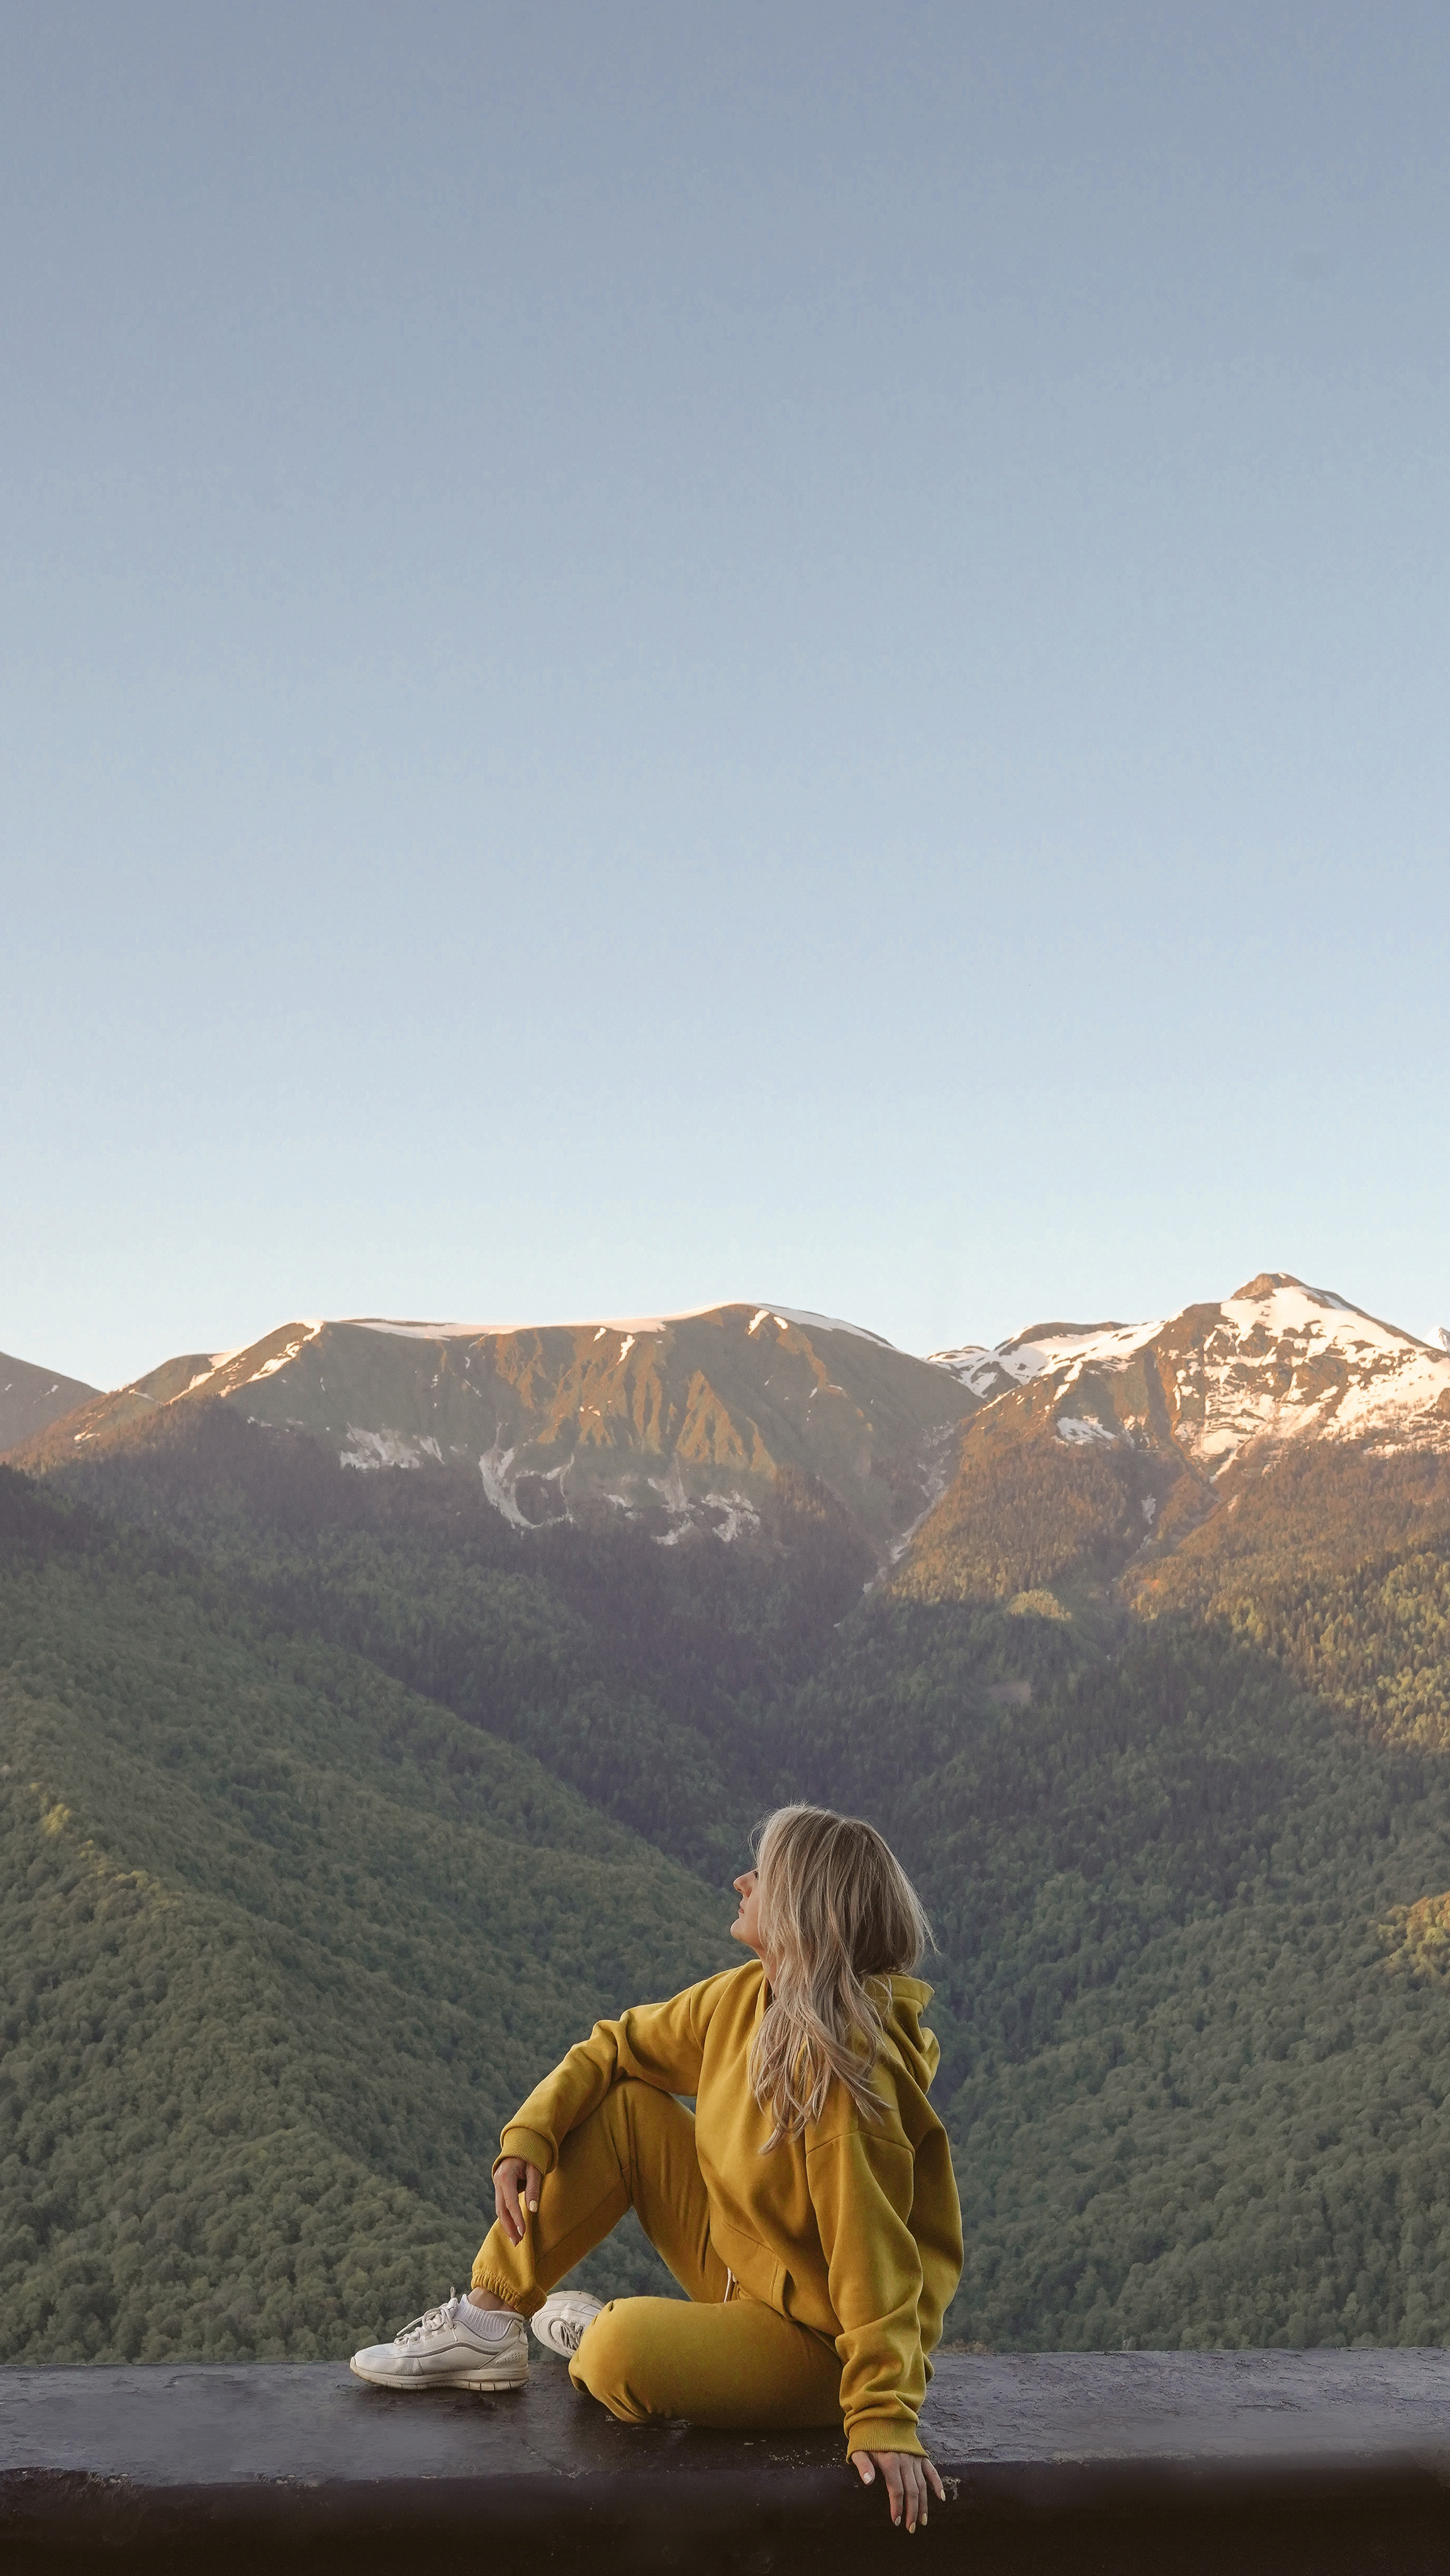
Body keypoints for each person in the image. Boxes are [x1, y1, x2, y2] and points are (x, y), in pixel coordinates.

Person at [351, 1804, 962, 2532]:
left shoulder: (846, 2073)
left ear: (800, 1909)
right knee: (628, 2109)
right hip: (743, 2273)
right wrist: (531, 2133)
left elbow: (875, 2259)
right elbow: (615, 2046)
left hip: (822, 2345)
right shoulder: (745, 1998)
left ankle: (598, 2330)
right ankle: (488, 2319)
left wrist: (883, 2414)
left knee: (617, 2353)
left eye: (761, 1874)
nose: (741, 1882)